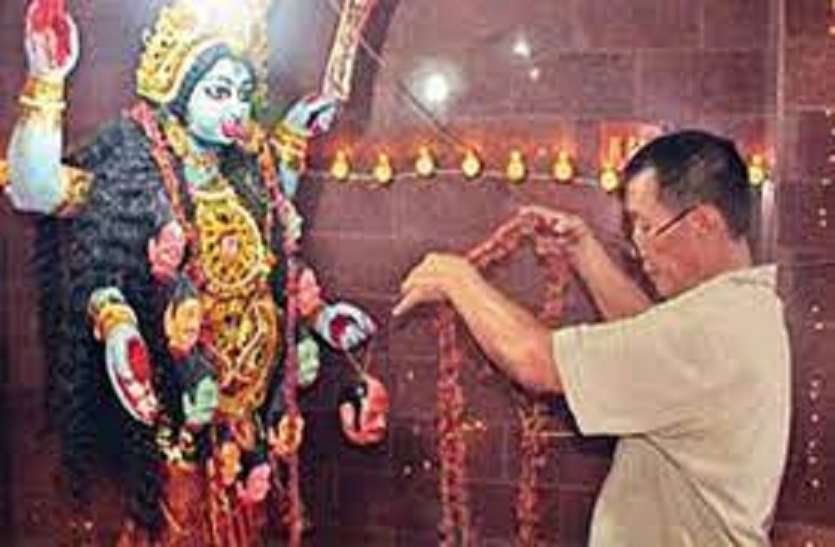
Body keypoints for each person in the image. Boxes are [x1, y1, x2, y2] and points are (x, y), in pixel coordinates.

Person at [2, 0, 378, 544]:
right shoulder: (137, 170)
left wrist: (317, 316)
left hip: (252, 411)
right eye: (218, 91)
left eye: (243, 94)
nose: (236, 110)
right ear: (179, 86)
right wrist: (46, 79)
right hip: (182, 416)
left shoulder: (245, 164)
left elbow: (276, 214)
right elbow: (34, 188)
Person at [394, 130, 790, 546]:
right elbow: (648, 344)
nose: (638, 247)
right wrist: (583, 250)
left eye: (645, 225)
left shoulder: (711, 329)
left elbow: (538, 362)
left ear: (704, 222)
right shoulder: (739, 309)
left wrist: (458, 278)